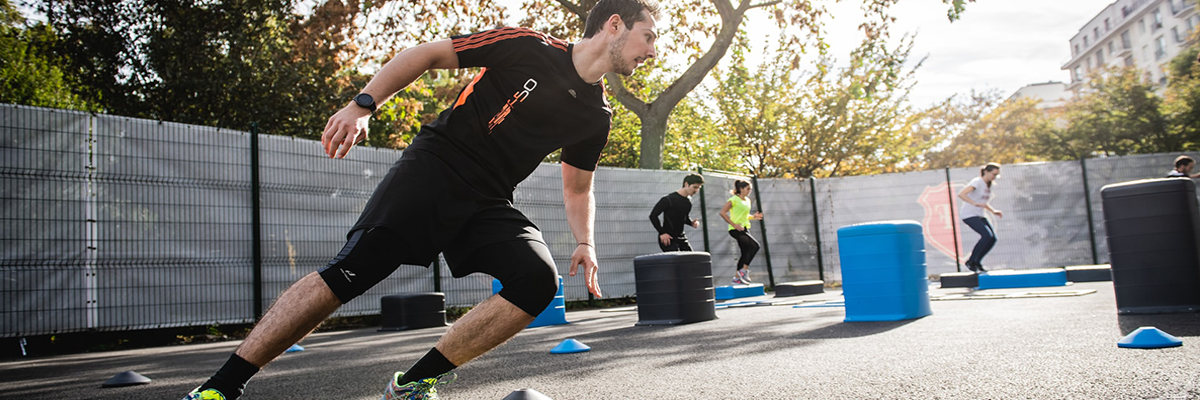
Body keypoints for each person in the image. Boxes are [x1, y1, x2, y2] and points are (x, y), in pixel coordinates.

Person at [181, 1, 659, 399]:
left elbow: (577, 186)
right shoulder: (527, 45)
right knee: (352, 271)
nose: (652, 51)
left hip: (489, 197)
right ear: (614, 25)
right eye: (649, 36)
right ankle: (219, 388)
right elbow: (429, 53)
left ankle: (411, 384)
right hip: (436, 166)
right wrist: (362, 105)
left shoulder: (596, 116)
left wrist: (585, 242)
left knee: (536, 281)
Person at [957, 163, 1004, 274]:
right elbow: (962, 194)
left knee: (992, 239)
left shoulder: (988, 185)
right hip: (969, 214)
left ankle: (977, 262)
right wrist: (974, 203)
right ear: (986, 172)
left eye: (996, 175)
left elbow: (983, 202)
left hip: (980, 214)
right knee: (986, 235)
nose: (994, 177)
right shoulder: (977, 182)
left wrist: (993, 211)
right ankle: (971, 261)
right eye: (993, 174)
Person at [718, 180, 763, 284]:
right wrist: (734, 225)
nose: (749, 191)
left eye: (750, 189)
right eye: (748, 189)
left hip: (744, 228)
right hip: (735, 230)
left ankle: (737, 278)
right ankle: (744, 271)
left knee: (745, 252)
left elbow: (744, 215)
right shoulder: (733, 200)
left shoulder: (747, 200)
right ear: (741, 189)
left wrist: (753, 217)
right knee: (755, 246)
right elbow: (722, 213)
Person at [648, 174, 704, 252]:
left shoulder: (688, 202)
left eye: (698, 188)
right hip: (668, 237)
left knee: (691, 260)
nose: (696, 191)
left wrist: (691, 223)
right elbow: (653, 216)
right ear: (686, 184)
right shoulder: (668, 199)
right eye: (695, 187)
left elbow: (683, 218)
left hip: (681, 237)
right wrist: (662, 233)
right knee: (676, 261)